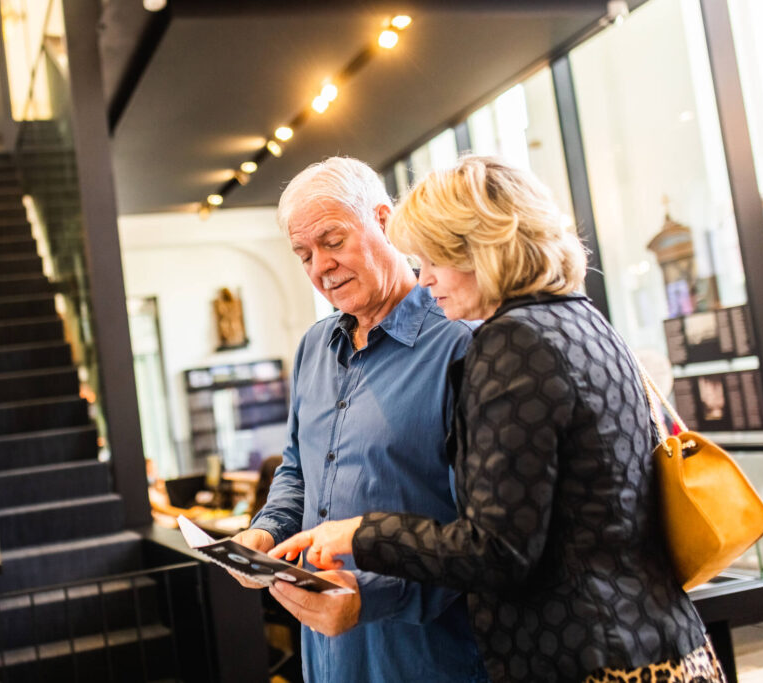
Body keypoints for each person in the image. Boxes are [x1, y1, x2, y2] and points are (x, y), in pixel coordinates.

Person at [271, 156, 725, 682]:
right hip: (651, 638)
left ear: (484, 248)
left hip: (585, 652)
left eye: (436, 258)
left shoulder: (509, 340)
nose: (427, 277)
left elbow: (498, 548)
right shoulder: (582, 318)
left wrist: (360, 534)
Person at [230, 157, 487, 682]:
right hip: (327, 661)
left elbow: (486, 536)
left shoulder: (462, 344)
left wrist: (370, 596)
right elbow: (298, 469)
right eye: (304, 254)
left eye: (333, 240)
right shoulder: (312, 349)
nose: (320, 266)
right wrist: (265, 531)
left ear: (385, 222)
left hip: (427, 658)